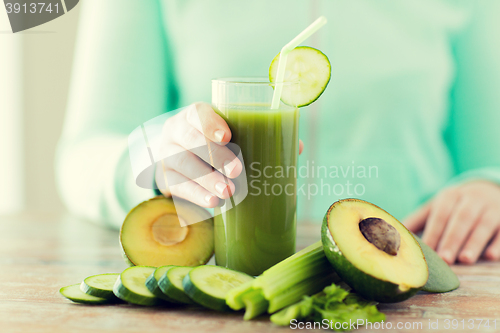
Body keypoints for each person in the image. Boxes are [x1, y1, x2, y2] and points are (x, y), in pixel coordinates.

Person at [56, 0, 500, 265]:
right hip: (219, 281)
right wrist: (154, 161)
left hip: (404, 277)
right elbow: (85, 153)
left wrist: (489, 185)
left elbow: (490, 157)